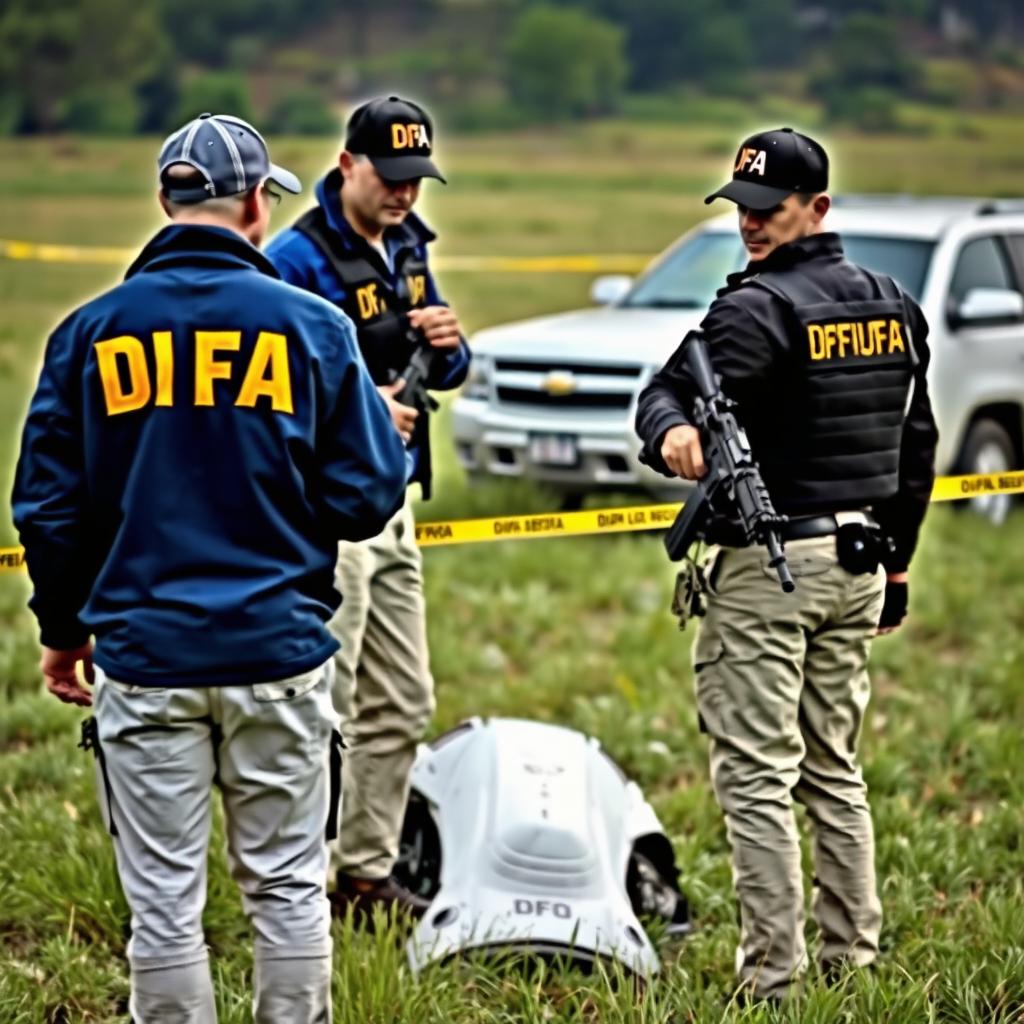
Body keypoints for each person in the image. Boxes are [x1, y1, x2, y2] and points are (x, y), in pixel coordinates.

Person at [11, 112, 409, 1023]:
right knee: (287, 890)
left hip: (145, 658)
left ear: (165, 199)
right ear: (259, 209)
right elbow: (367, 497)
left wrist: (64, 634)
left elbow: (46, 509)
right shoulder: (311, 328)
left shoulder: (88, 332)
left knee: (162, 906)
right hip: (278, 651)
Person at [635, 127, 939, 1003]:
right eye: (742, 209)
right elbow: (917, 445)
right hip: (859, 556)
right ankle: (853, 960)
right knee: (832, 769)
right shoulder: (890, 301)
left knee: (758, 777)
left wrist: (667, 430)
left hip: (772, 572)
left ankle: (774, 980)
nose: (752, 226)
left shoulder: (751, 310)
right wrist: (900, 563)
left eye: (768, 211)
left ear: (819, 208)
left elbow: (663, 392)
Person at [266, 95, 470, 923]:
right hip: (327, 512)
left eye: (416, 181)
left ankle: (365, 871)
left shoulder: (410, 246)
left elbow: (445, 373)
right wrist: (358, 411)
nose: (403, 195)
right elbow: (266, 390)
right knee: (329, 699)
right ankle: (298, 883)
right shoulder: (293, 260)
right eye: (389, 178)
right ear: (346, 164)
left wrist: (453, 348)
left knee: (404, 697)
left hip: (394, 505)